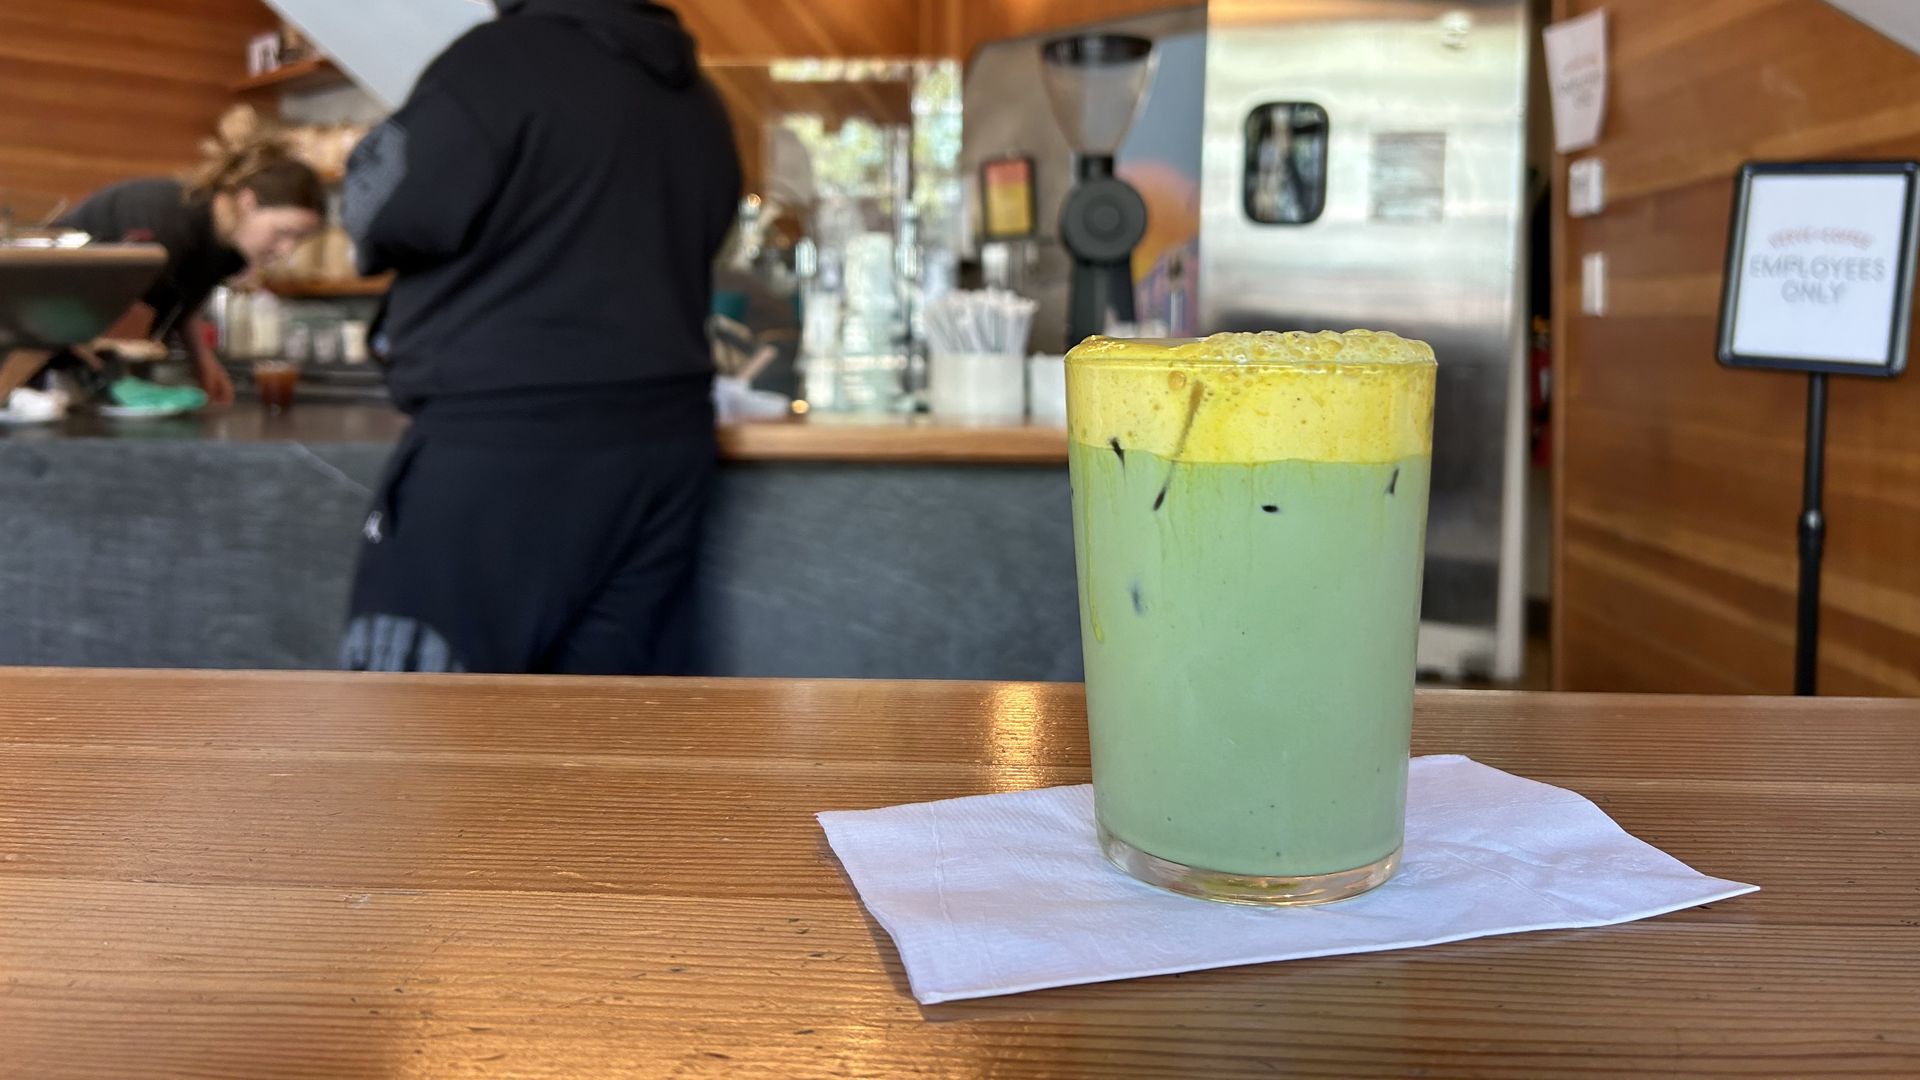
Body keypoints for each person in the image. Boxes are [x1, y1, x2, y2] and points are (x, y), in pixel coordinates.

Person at [337, 0, 741, 675]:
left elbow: (383, 210)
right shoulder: (701, 97)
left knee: (410, 728)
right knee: (613, 732)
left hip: (507, 440)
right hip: (666, 440)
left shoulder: (497, 62)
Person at [57, 108, 325, 404]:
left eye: (298, 239)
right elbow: (124, 328)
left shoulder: (227, 247)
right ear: (248, 202)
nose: (287, 249)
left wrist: (203, 361)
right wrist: (126, 385)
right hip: (48, 336)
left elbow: (186, 298)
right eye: (283, 232)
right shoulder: (170, 224)